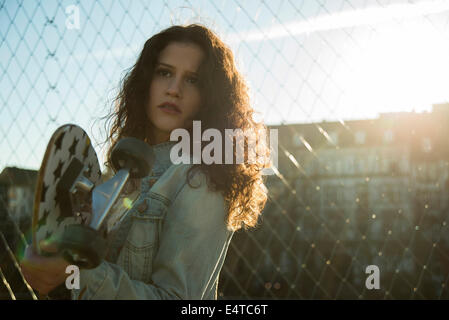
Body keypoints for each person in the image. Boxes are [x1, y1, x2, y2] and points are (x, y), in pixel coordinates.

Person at [19, 23, 270, 300]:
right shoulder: (125, 174)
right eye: (164, 73)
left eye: (192, 79)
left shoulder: (200, 179)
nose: (174, 89)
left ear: (209, 97)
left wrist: (77, 275)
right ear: (146, 82)